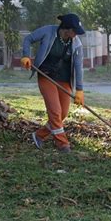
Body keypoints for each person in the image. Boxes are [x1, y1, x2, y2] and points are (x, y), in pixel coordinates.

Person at [20, 13, 86, 153]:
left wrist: (79, 89)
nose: (76, 34)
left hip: (64, 79)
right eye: (74, 31)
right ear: (66, 28)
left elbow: (78, 66)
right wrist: (26, 55)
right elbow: (28, 39)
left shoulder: (76, 43)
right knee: (55, 111)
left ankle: (39, 135)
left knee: (62, 114)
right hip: (46, 75)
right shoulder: (48, 31)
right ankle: (62, 144)